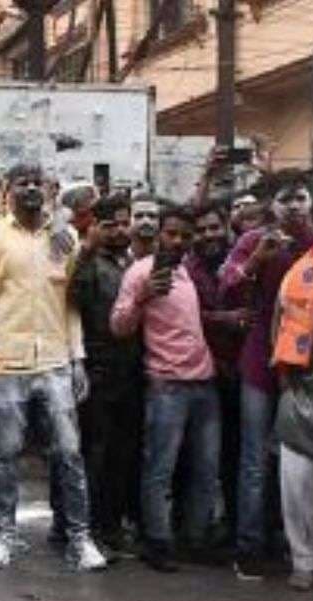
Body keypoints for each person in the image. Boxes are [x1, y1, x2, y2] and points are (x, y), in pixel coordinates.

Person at [0, 163, 106, 571]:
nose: (30, 190)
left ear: (48, 190)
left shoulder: (66, 237)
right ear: (7, 191)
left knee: (69, 453)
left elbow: (72, 305)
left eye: (36, 184)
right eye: (21, 183)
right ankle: (4, 537)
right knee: (5, 454)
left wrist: (78, 359)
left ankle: (81, 540)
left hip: (56, 361)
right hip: (7, 361)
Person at [219, 170, 313, 579]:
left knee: (302, 456)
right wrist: (258, 259)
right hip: (260, 357)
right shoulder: (254, 241)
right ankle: (249, 546)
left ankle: (296, 544)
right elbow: (226, 286)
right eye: (286, 199)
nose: (295, 206)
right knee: (254, 457)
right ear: (271, 206)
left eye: (300, 197)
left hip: (309, 364)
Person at [111, 205, 221, 572]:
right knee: (160, 468)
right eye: (171, 234)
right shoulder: (140, 273)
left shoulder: (188, 272)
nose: (177, 241)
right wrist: (142, 296)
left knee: (206, 468)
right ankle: (156, 542)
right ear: (159, 234)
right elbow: (119, 326)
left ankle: (195, 537)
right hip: (166, 385)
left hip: (204, 382)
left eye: (184, 236)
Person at [69, 194, 143, 554]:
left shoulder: (134, 262)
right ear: (94, 227)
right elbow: (73, 298)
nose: (117, 230)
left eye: (122, 222)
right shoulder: (89, 263)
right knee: (94, 453)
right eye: (108, 224)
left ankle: (113, 527)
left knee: (123, 453)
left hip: (132, 371)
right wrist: (85, 252)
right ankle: (90, 529)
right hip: (98, 370)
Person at [272, 205, 313, 591]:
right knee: (298, 488)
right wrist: (286, 383)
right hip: (307, 396)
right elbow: (280, 329)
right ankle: (305, 561)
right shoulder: (301, 273)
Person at [184, 199, 247, 546]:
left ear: (226, 228)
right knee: (203, 456)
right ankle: (197, 528)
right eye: (202, 230)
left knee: (240, 453)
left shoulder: (240, 260)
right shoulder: (188, 269)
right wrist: (226, 318)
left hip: (244, 370)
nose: (208, 235)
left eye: (214, 228)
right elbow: (188, 315)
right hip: (204, 372)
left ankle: (238, 524)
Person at [129, 193, 161, 260]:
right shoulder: (121, 260)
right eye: (139, 216)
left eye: (152, 216)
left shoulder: (168, 259)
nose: (146, 221)